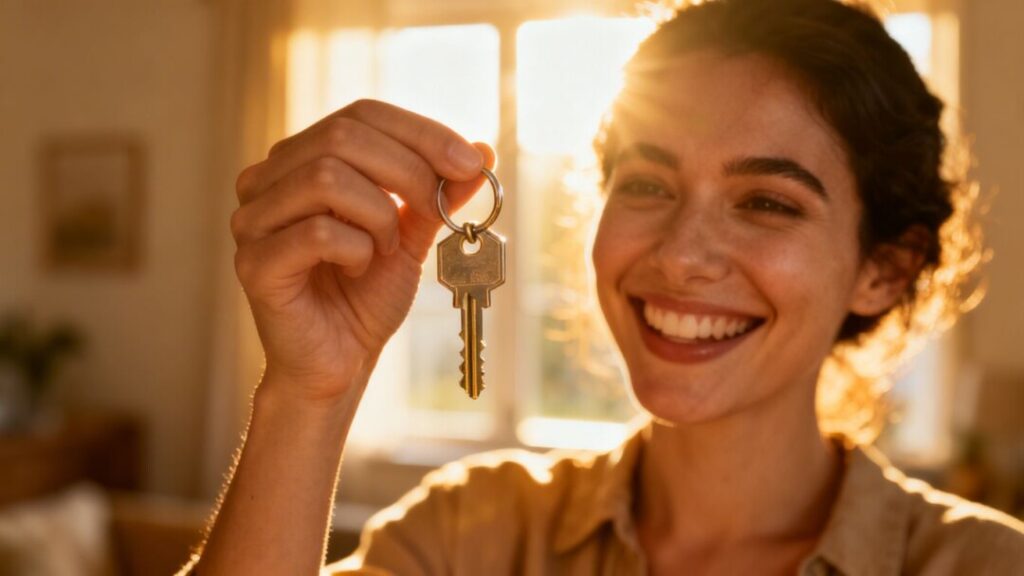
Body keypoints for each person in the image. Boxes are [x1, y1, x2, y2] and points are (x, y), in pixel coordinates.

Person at [181, 0, 1024, 574]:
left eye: (767, 202)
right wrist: (309, 394)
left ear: (884, 269)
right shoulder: (471, 534)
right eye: (648, 185)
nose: (681, 255)